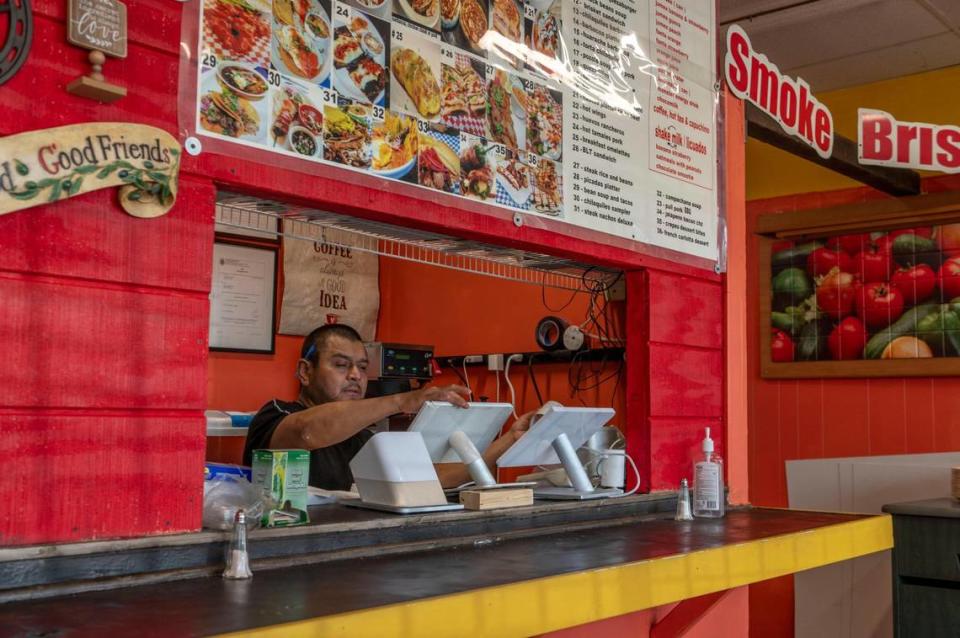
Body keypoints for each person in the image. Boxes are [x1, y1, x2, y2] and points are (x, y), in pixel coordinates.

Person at [243, 324, 533, 490]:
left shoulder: (364, 438)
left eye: (362, 367)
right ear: (305, 372)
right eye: (341, 365)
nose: (356, 375)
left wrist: (510, 440)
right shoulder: (276, 414)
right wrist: (402, 400)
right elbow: (307, 432)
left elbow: (433, 477)